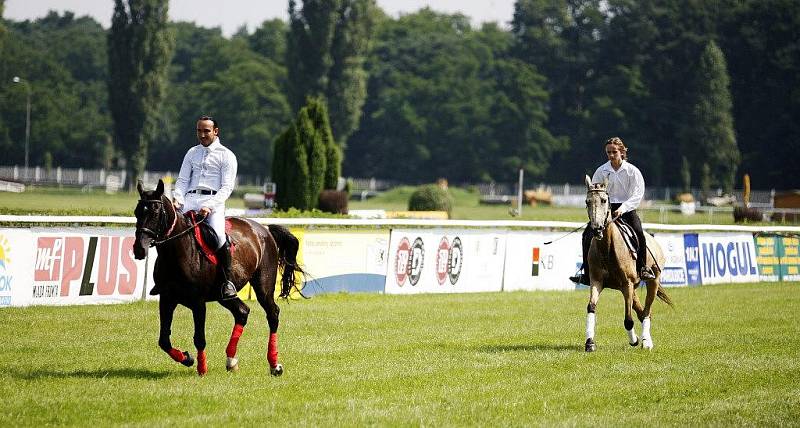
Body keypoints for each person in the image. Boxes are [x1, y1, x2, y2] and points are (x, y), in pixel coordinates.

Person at [151, 115, 239, 300]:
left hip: (213, 201)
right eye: (199, 130)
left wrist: (210, 206)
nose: (202, 135)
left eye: (206, 131)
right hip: (190, 199)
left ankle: (227, 281)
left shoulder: (227, 155)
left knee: (219, 238)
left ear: (216, 131)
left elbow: (227, 187)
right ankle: (162, 279)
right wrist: (177, 199)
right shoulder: (192, 152)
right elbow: (182, 180)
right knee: (169, 233)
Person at [569, 137, 656, 285]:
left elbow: (638, 194)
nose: (611, 155)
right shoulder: (601, 171)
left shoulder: (632, 171)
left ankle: (642, 268)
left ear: (622, 152)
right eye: (608, 152)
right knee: (586, 234)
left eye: (614, 152)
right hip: (605, 210)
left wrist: (623, 208)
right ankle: (586, 273)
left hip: (627, 210)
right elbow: (594, 192)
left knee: (639, 232)